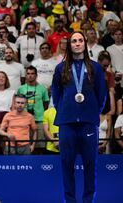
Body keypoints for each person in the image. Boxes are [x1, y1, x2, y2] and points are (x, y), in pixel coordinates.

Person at [51, 31, 107, 203]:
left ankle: (88, 201)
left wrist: (91, 112)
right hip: (67, 122)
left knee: (90, 165)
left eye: (80, 40)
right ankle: (70, 201)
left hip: (88, 123)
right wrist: (67, 109)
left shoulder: (95, 67)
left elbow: (102, 94)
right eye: (74, 41)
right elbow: (56, 93)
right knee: (67, 165)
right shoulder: (60, 68)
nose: (77, 43)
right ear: (69, 45)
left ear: (84, 43)